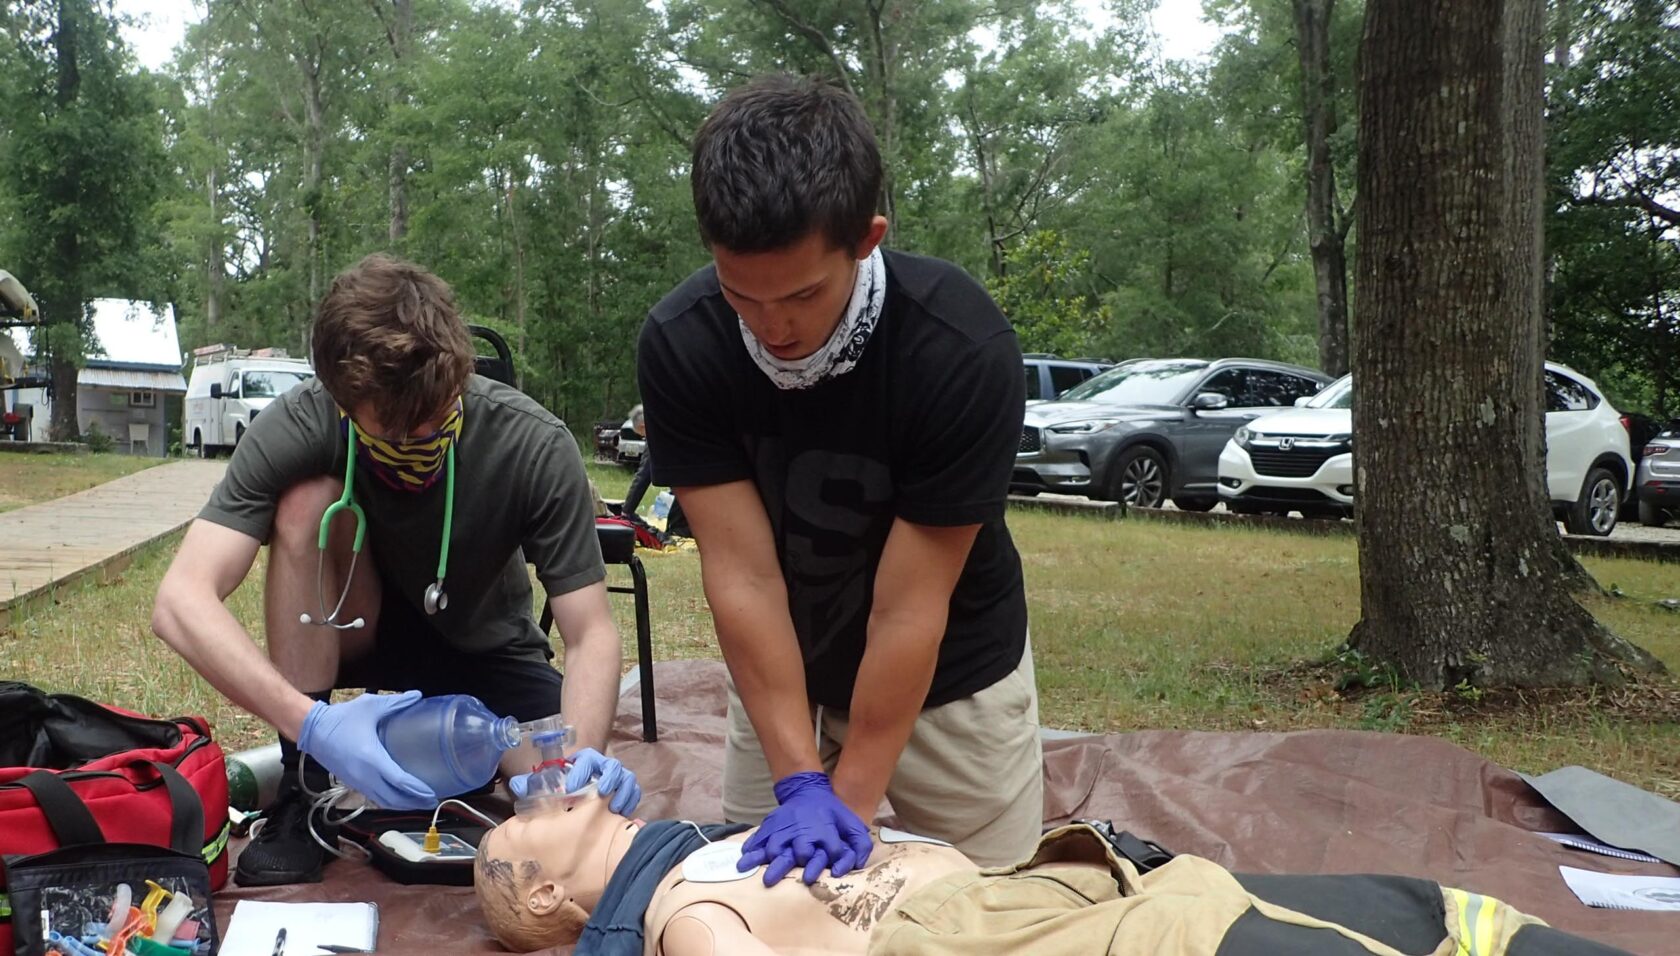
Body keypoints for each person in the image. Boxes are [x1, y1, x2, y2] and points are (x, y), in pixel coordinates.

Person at [636, 73, 1040, 883]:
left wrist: (850, 799)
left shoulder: (957, 349)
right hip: (783, 666)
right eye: (739, 293)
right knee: (759, 902)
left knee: (990, 906)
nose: (771, 325)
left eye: (801, 294)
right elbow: (744, 577)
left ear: (867, 238)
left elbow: (909, 608)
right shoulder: (683, 344)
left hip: (952, 669)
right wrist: (798, 779)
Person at [151, 254, 640, 887]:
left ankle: (521, 780)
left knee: (545, 778)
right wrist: (315, 727)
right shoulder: (301, 422)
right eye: (403, 428)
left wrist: (582, 762)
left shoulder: (532, 445)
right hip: (355, 631)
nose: (427, 432)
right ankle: (303, 790)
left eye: (440, 410)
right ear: (342, 402)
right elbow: (180, 601)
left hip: (484, 647)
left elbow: (590, 631)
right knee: (305, 505)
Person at [473, 792, 1619, 956]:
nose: (546, 793)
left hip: (1073, 885)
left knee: (1428, 912)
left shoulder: (706, 837)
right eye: (529, 820)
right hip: (1001, 937)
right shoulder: (680, 909)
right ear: (542, 896)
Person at [620, 404, 689, 538]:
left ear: (643, 427)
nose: (644, 439)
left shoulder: (656, 431)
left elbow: (643, 475)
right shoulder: (671, 419)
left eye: (642, 436)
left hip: (689, 478)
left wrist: (627, 511)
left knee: (677, 529)